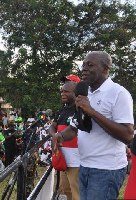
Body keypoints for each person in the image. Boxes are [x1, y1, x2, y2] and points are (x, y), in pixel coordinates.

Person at [53, 51, 134, 199]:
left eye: (90, 65)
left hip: (106, 170)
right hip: (84, 165)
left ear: (105, 69)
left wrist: (91, 111)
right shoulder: (84, 92)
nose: (84, 68)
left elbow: (128, 135)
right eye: (83, 65)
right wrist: (60, 136)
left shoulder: (118, 93)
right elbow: (74, 128)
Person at [49, 75, 80, 200]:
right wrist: (55, 136)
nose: (62, 93)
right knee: (64, 192)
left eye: (66, 90)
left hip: (77, 161)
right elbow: (52, 126)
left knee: (77, 193)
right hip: (62, 159)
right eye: (62, 90)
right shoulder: (63, 110)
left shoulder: (81, 109)